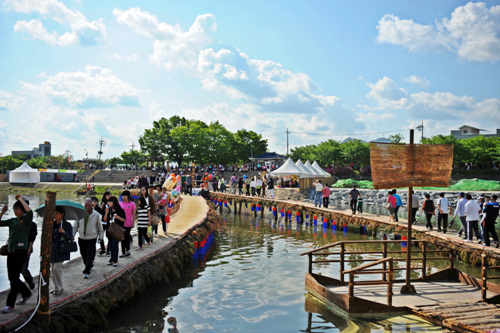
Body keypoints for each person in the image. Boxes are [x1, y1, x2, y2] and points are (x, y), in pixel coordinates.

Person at [0, 196, 33, 313]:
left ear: (22, 210)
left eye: (18, 208)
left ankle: (10, 304)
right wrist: (2, 212)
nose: (15, 211)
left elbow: (30, 212)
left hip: (21, 253)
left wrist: (21, 200)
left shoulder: (27, 221)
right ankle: (26, 293)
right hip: (11, 253)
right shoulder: (12, 221)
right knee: (11, 278)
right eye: (14, 208)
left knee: (14, 279)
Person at [74, 198, 104, 279]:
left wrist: (101, 236)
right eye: (86, 205)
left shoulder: (96, 214)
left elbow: (99, 226)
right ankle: (88, 265)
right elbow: (75, 225)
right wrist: (72, 235)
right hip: (82, 237)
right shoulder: (80, 213)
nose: (87, 207)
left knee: (90, 254)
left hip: (92, 237)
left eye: (89, 205)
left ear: (92, 205)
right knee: (83, 254)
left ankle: (86, 271)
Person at [51, 206, 74, 295]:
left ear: (62, 214)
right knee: (53, 269)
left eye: (57, 213)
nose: (55, 215)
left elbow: (70, 237)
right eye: (54, 213)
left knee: (57, 268)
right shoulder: (52, 224)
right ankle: (56, 287)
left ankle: (59, 288)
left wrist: (64, 232)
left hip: (61, 250)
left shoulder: (66, 225)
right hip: (53, 250)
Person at [103, 196, 126, 266]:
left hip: (117, 230)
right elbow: (104, 220)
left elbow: (124, 220)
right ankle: (112, 258)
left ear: (114, 202)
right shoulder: (109, 210)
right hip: (110, 230)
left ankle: (115, 259)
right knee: (110, 244)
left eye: (110, 201)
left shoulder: (120, 210)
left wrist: (118, 217)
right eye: (108, 202)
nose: (109, 203)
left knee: (115, 244)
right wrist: (106, 213)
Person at [119, 190, 136, 258]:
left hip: (128, 223)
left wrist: (133, 222)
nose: (124, 197)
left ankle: (127, 250)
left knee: (127, 237)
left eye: (125, 195)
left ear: (128, 196)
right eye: (123, 195)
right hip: (121, 224)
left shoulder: (132, 204)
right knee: (122, 238)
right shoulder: (120, 204)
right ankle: (123, 252)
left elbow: (134, 215)